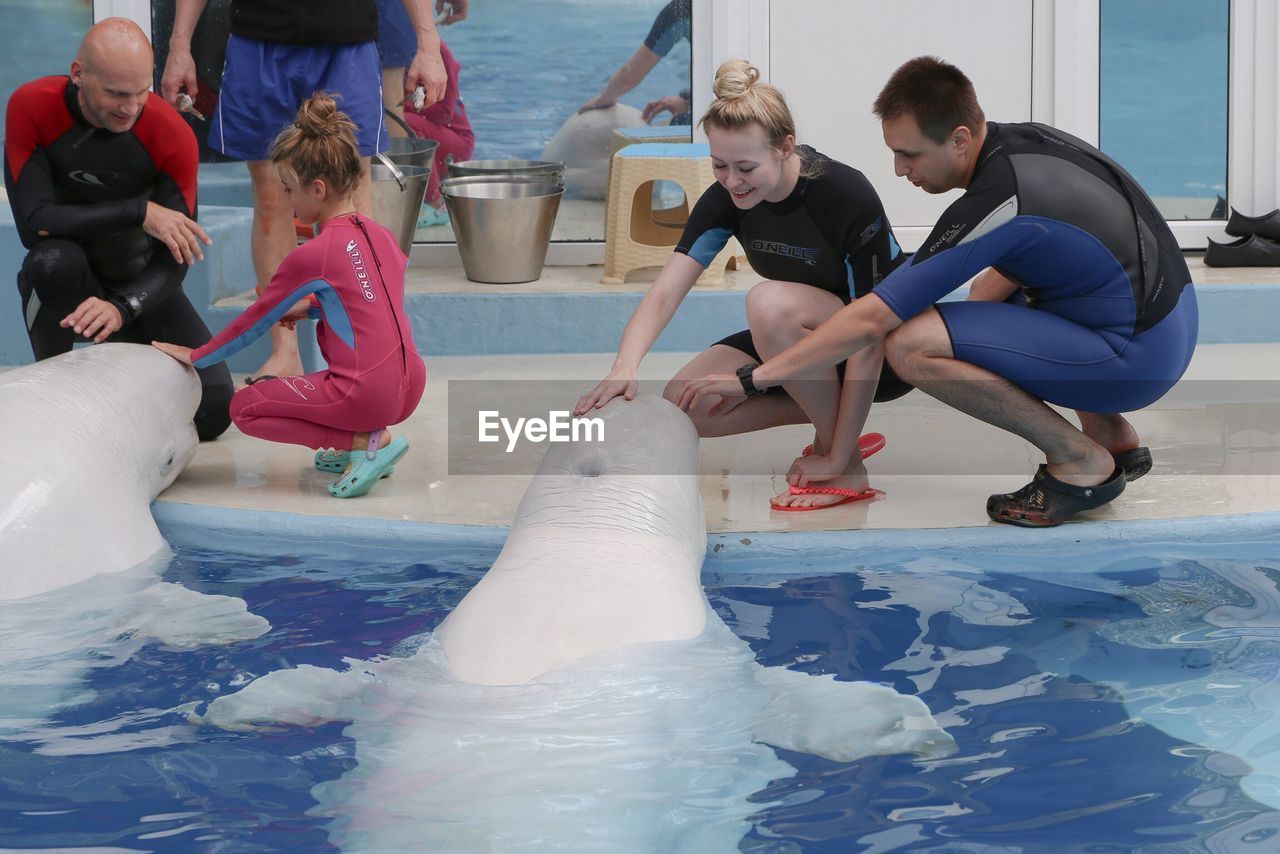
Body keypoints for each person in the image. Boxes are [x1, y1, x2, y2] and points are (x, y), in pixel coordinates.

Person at [677, 56, 1199, 528]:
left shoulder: (997, 201)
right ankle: (1111, 435)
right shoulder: (1024, 144)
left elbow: (871, 319)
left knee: (911, 343)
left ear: (960, 138)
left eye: (910, 155)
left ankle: (1080, 461)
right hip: (1166, 321)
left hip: (1135, 354)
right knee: (990, 291)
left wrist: (752, 381)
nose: (901, 170)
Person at [575, 60, 911, 511]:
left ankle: (845, 460)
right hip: (807, 343)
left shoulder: (843, 194)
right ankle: (834, 424)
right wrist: (624, 366)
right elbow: (664, 293)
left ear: (785, 147)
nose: (732, 181)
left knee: (768, 303)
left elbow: (869, 332)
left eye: (746, 167)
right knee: (685, 404)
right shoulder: (727, 200)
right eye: (719, 165)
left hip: (881, 352)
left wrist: (836, 451)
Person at [152, 93, 427, 499]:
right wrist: (315, 307)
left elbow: (256, 320)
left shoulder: (315, 253)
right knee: (330, 387)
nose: (287, 202)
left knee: (245, 407)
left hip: (364, 394)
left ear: (317, 189)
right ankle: (361, 437)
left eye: (289, 190)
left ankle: (363, 443)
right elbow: (372, 302)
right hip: (409, 384)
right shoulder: (381, 235)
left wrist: (197, 355)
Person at [161, 0, 448, 383]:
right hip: (259, 40)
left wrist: (428, 45)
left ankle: (366, 353)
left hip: (346, 41)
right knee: (271, 194)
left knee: (351, 195)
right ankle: (286, 352)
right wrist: (179, 46)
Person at [3, 17, 233, 441]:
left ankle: (120, 366)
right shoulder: (32, 107)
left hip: (139, 283)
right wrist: (138, 212)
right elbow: (34, 226)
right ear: (78, 75)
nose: (130, 107)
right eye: (115, 94)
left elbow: (174, 258)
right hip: (69, 281)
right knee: (51, 262)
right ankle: (51, 381)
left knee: (214, 410)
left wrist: (124, 306)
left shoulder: (170, 134)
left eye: (141, 92)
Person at [578, 0, 692, 125]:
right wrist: (689, 100)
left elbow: (629, 76)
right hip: (715, 101)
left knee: (675, 126)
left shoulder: (680, 10)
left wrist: (606, 98)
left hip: (715, 116)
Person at [402, 39, 475, 228]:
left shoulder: (437, 51)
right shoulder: (386, 51)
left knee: (406, 122)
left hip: (457, 141)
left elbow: (445, 112)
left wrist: (403, 104)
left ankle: (434, 202)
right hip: (433, 134)